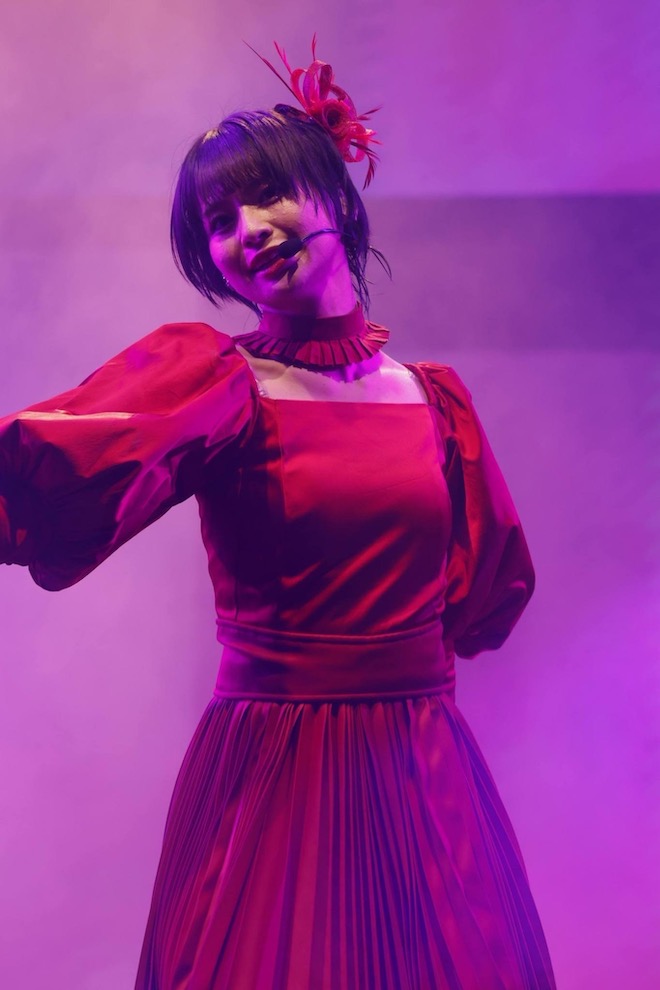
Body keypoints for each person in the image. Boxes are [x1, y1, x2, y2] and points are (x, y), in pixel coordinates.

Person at [0, 40, 556, 990]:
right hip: (274, 767)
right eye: (219, 222)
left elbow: (485, 598)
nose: (248, 230)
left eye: (266, 197)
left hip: (420, 766)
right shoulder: (220, 385)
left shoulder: (434, 401)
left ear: (335, 194)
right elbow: (51, 467)